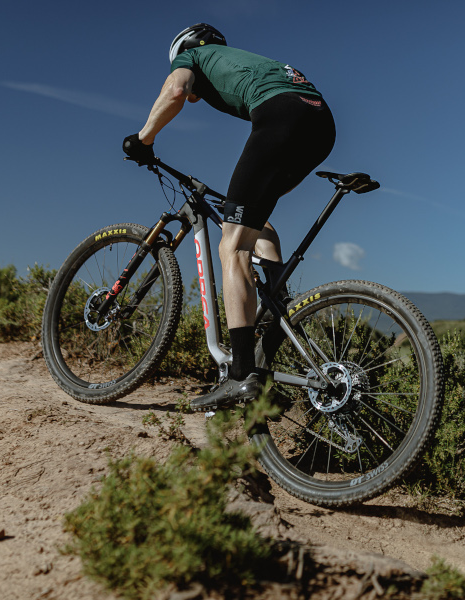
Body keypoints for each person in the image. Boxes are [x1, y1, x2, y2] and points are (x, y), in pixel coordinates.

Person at [123, 23, 335, 412]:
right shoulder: (244, 61)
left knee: (232, 245)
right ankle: (274, 310)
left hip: (282, 115)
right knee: (254, 224)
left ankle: (241, 376)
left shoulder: (194, 56)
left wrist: (144, 139)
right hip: (321, 123)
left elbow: (175, 90)